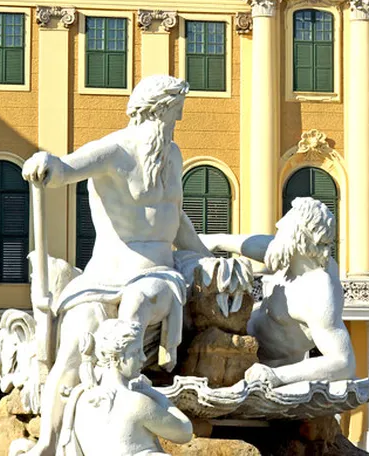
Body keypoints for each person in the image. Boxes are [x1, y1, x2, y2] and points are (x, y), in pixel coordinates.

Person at [18, 75, 229, 456]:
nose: (178, 120)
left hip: (158, 273)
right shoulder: (115, 151)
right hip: (103, 277)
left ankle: (125, 414)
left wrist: (206, 257)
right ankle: (48, 443)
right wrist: (45, 162)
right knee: (74, 343)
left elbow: (175, 218)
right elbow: (65, 169)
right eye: (176, 111)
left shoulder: (173, 154)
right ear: (160, 109)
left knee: (138, 304)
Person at [202, 197, 355, 386]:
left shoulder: (318, 291)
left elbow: (343, 362)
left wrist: (277, 376)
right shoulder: (293, 258)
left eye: (285, 225)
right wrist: (216, 241)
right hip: (235, 333)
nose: (278, 223)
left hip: (252, 364)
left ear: (298, 235)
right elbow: (260, 245)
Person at [61, 319, 193, 456]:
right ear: (116, 357)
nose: (143, 358)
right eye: (136, 352)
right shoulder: (136, 402)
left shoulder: (80, 399)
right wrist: (156, 395)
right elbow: (185, 432)